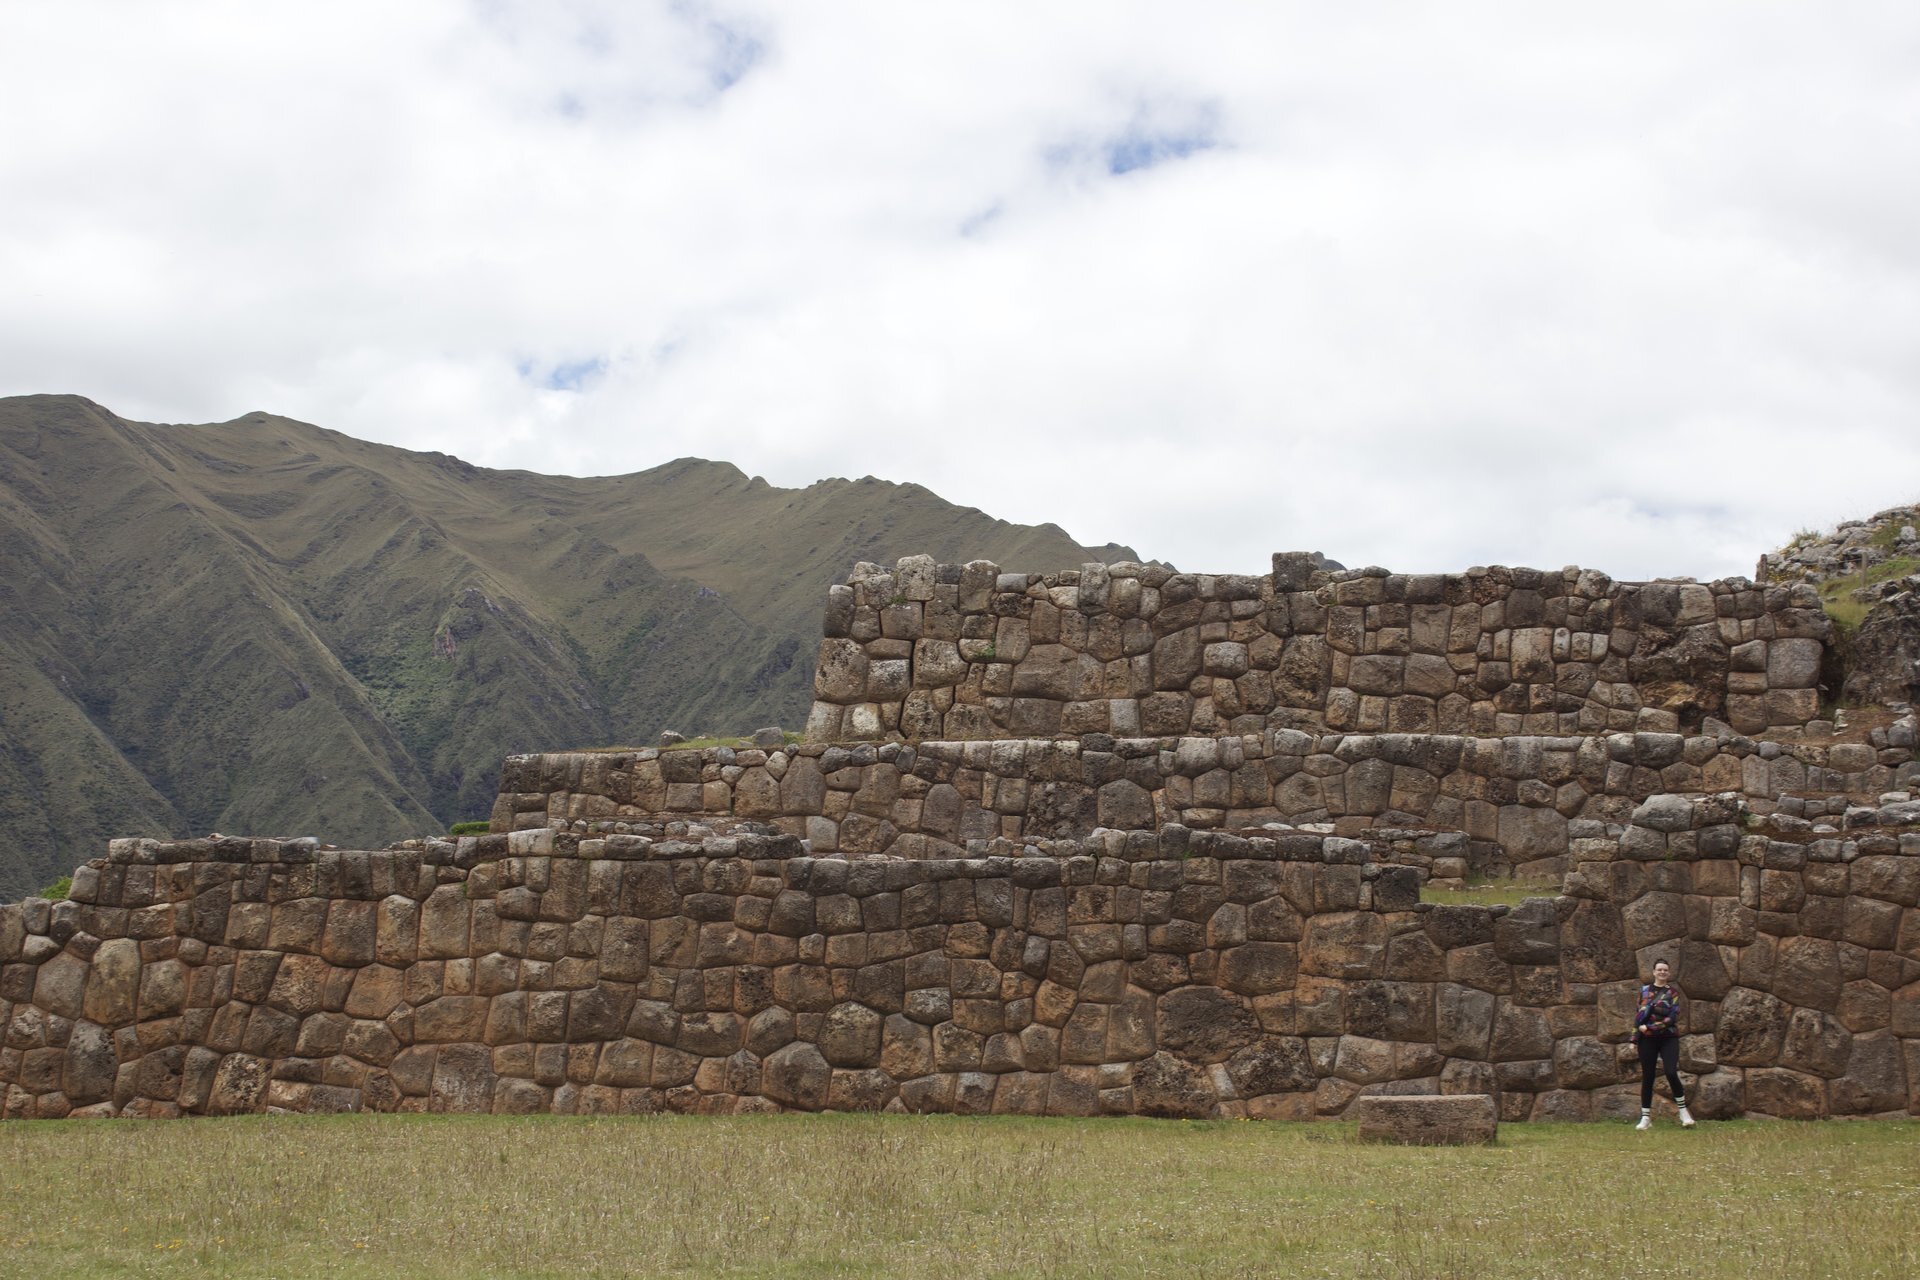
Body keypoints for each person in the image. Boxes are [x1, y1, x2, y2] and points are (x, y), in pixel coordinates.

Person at [1633, 958, 1694, 1129]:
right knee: (1648, 1076)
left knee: (1671, 1072)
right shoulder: (1644, 991)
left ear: (1668, 973)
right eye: (1659, 970)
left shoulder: (1672, 993)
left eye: (1665, 970)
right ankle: (1645, 1118)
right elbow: (1638, 1017)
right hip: (1646, 1040)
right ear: (1653, 972)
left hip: (1668, 1038)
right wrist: (1634, 1037)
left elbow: (1672, 1018)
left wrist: (1650, 1027)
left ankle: (1684, 1113)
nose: (1662, 972)